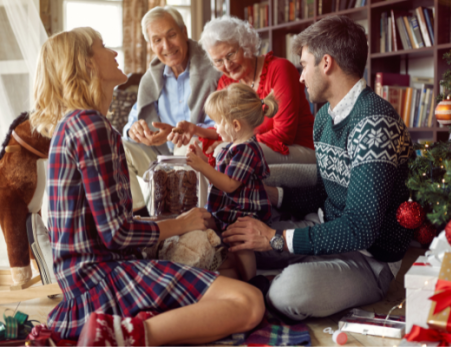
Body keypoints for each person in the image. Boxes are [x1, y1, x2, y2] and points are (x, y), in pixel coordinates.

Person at [29, 27, 264, 345]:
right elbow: (117, 233)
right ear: (86, 65)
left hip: (85, 279)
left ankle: (136, 322)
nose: (113, 52)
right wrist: (181, 223)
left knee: (225, 276)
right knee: (249, 303)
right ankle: (121, 334)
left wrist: (169, 227)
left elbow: (108, 229)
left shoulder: (74, 124)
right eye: (102, 46)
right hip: (99, 282)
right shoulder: (91, 125)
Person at [221, 15, 415, 322]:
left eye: (303, 65)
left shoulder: (374, 122)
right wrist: (273, 195)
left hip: (369, 258)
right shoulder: (325, 117)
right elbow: (324, 192)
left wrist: (274, 238)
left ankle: (277, 283)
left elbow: (361, 229)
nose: (300, 77)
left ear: (326, 63)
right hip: (324, 226)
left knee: (288, 292)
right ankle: (282, 275)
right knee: (236, 245)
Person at [169, 16, 316, 165]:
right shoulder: (226, 82)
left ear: (245, 45)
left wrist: (231, 145)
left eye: (230, 55)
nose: (227, 65)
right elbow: (226, 129)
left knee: (228, 153)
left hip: (295, 148)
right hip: (252, 145)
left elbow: (284, 134)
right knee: (187, 149)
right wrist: (194, 129)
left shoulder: (280, 69)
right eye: (218, 61)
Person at [121, 6, 222, 216]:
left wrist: (188, 131)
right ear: (150, 45)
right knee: (118, 147)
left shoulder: (213, 68)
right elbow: (134, 119)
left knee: (187, 148)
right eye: (157, 40)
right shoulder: (152, 78)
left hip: (198, 149)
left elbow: (226, 123)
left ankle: (188, 222)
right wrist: (134, 130)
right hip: (160, 155)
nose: (166, 46)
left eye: (171, 35)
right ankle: (141, 218)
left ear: (184, 32)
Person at [186, 83, 278, 281]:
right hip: (228, 209)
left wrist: (204, 168)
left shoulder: (247, 149)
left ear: (235, 125)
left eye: (217, 122)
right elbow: (221, 173)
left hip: (242, 212)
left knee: (240, 244)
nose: (215, 128)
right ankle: (227, 269)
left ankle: (252, 281)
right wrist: (203, 160)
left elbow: (229, 184)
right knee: (209, 226)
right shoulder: (232, 146)